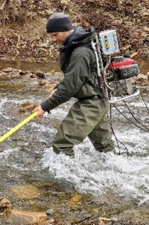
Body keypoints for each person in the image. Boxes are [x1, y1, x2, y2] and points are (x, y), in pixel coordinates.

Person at [33, 12, 114, 157]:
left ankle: (66, 180)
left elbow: (70, 86)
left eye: (55, 35)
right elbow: (77, 76)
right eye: (51, 36)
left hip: (90, 104)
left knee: (61, 146)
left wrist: (45, 106)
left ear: (66, 30)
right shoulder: (81, 43)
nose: (53, 39)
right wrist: (59, 86)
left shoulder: (81, 52)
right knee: (105, 148)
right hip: (99, 100)